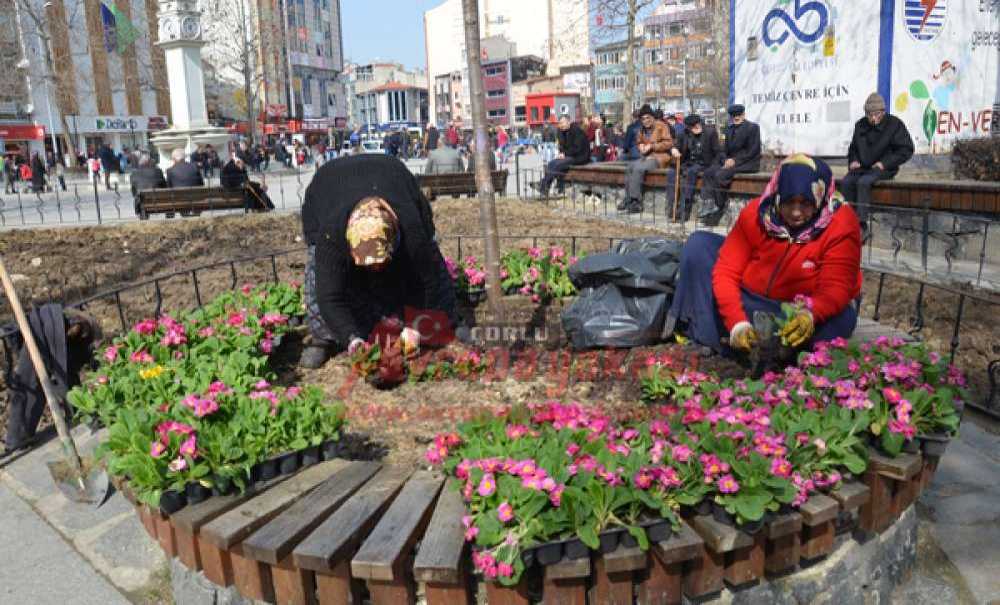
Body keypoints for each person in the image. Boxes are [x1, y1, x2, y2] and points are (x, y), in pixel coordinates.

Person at [666, 154, 862, 354]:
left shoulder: (841, 223)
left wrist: (811, 314)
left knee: (832, 329)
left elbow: (836, 287)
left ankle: (766, 348)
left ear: (820, 198)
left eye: (805, 203)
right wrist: (737, 323)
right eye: (788, 202)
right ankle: (717, 340)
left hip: (803, 310)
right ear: (777, 196)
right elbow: (726, 270)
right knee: (699, 245)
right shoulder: (757, 213)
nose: (796, 213)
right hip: (754, 300)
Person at [298, 154, 457, 368]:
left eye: (380, 261)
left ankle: (449, 320)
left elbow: (428, 281)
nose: (374, 268)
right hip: (327, 189)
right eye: (366, 263)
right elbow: (329, 296)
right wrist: (352, 340)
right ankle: (323, 339)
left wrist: (415, 327)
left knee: (431, 263)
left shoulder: (411, 226)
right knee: (318, 274)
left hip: (393, 178)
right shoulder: (331, 234)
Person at [841, 92, 915, 231]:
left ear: (883, 111)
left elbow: (906, 149)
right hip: (862, 166)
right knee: (846, 182)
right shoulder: (860, 125)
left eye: (877, 114)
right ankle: (846, 220)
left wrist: (885, 163)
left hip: (884, 167)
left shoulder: (894, 124)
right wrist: (853, 160)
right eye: (870, 115)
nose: (873, 118)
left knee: (864, 182)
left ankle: (861, 225)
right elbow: (853, 148)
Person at [699, 104, 762, 226]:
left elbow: (753, 150)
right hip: (731, 162)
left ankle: (719, 205)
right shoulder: (729, 129)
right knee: (709, 172)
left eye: (738, 115)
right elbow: (724, 150)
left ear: (743, 115)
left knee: (721, 174)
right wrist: (726, 160)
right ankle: (708, 202)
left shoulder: (753, 128)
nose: (736, 118)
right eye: (734, 116)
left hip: (748, 162)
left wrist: (735, 161)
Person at [619, 104, 676, 214]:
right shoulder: (641, 129)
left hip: (660, 157)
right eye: (643, 119)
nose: (645, 121)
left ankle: (636, 201)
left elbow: (669, 143)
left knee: (638, 169)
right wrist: (640, 146)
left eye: (647, 118)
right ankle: (628, 197)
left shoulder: (661, 126)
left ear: (652, 117)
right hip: (646, 156)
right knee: (630, 167)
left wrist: (652, 146)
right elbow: (639, 141)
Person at [675, 114, 722, 222]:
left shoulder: (710, 132)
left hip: (706, 163)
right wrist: (674, 149)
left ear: (699, 124)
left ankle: (685, 208)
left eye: (696, 127)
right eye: (691, 128)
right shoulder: (686, 133)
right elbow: (678, 144)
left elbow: (717, 152)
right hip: (690, 163)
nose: (694, 130)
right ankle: (681, 207)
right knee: (681, 174)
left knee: (691, 173)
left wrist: (713, 166)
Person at [533, 114, 590, 196]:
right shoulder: (561, 132)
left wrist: (565, 154)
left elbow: (578, 148)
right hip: (569, 156)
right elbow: (562, 147)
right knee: (551, 163)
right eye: (560, 123)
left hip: (580, 157)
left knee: (558, 165)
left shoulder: (577, 130)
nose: (561, 125)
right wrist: (561, 153)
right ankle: (545, 187)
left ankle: (543, 186)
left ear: (568, 122)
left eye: (563, 123)